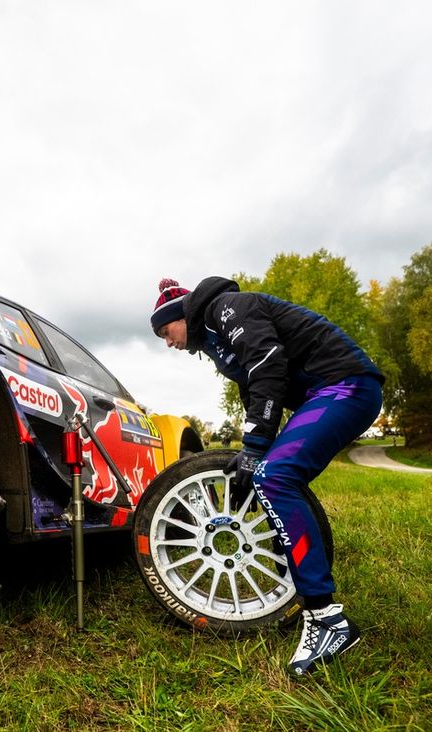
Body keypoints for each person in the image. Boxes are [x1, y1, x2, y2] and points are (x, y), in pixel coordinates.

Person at [150, 276, 383, 676]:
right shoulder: (215, 340)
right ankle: (290, 565)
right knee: (269, 475)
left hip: (345, 385)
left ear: (180, 315)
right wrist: (251, 451)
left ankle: (328, 621)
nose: (168, 342)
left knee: (275, 477)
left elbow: (267, 365)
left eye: (165, 331)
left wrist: (257, 448)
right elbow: (255, 389)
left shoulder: (226, 308)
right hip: (330, 390)